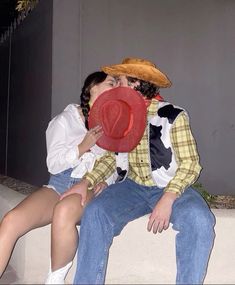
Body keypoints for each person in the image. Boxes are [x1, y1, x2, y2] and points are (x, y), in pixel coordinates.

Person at [61, 57, 216, 285]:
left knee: (201, 220)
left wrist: (168, 197)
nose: (115, 87)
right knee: (95, 212)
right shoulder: (121, 116)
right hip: (132, 187)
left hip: (169, 186)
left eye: (120, 82)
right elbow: (111, 159)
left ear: (135, 84)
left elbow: (191, 164)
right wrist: (86, 181)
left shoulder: (172, 115)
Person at [0, 71, 118, 282]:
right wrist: (82, 147)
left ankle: (54, 280)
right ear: (93, 88)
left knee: (63, 211)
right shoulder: (64, 121)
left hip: (89, 186)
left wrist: (104, 181)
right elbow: (53, 164)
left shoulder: (113, 123)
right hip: (59, 183)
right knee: (11, 220)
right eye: (111, 83)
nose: (116, 88)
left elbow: (119, 163)